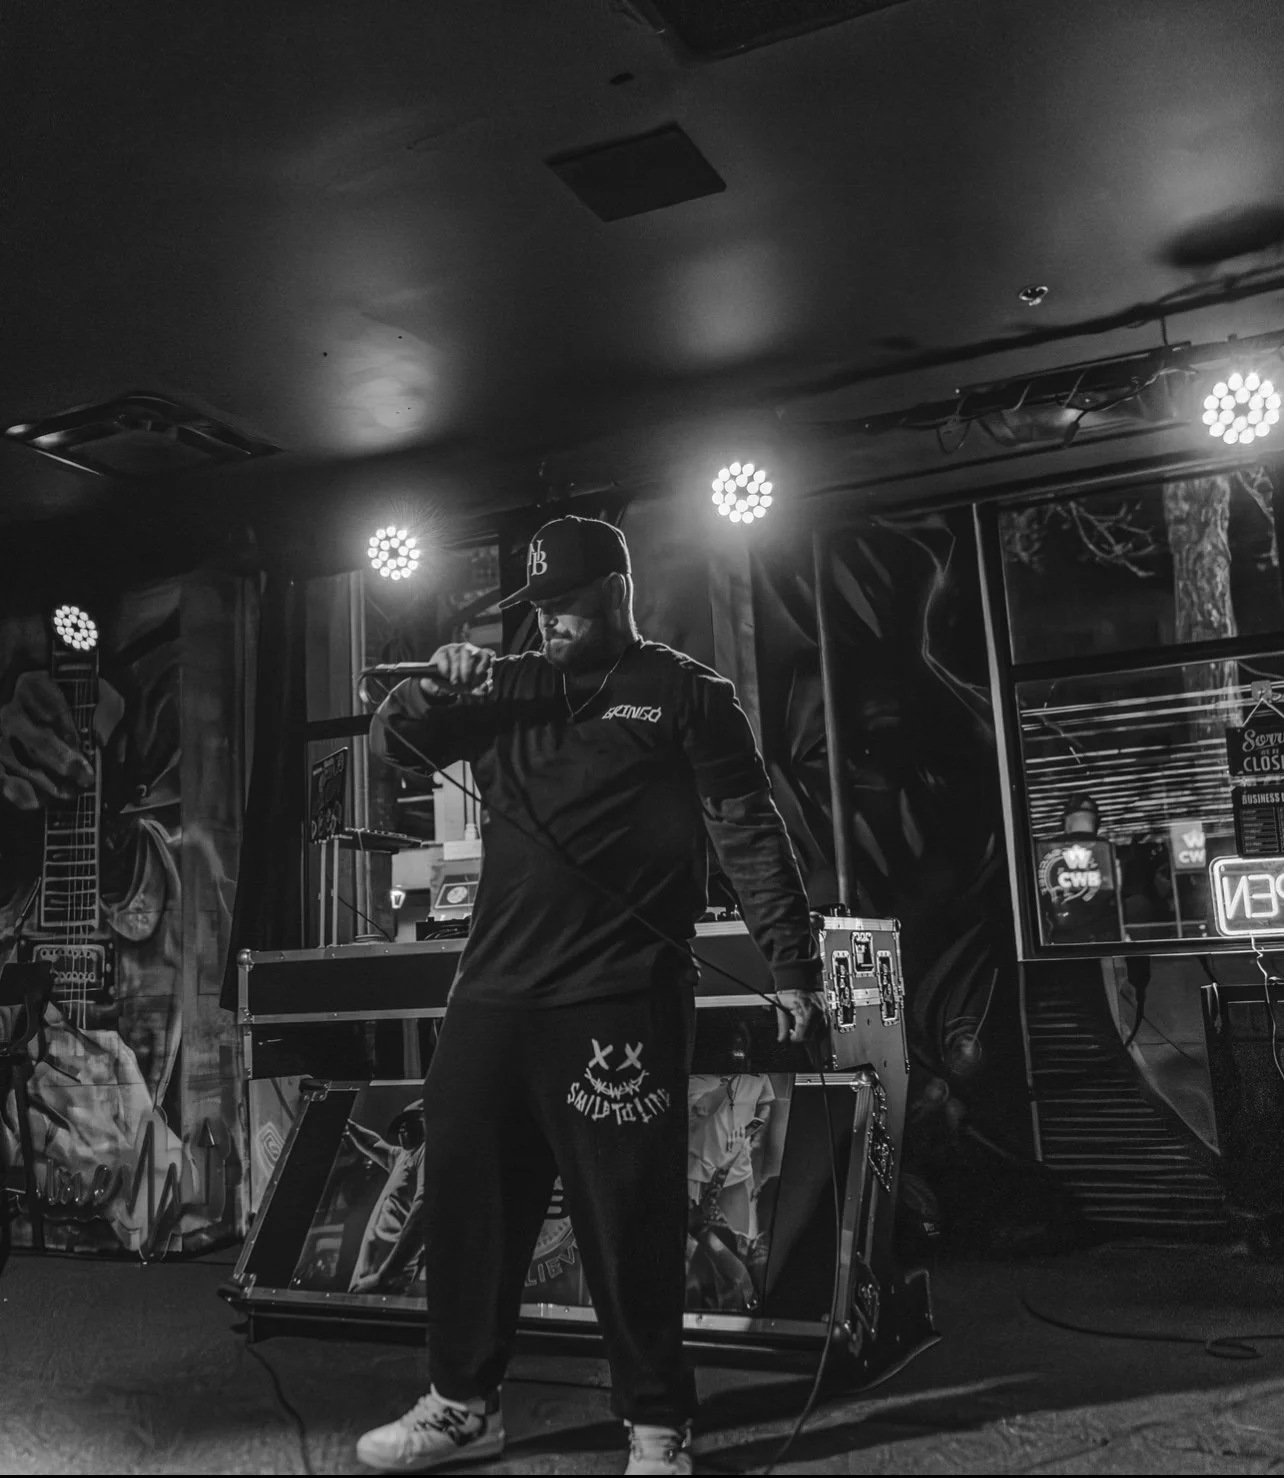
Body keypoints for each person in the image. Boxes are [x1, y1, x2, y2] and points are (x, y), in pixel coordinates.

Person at [357, 516, 823, 1476]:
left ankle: (655, 1423)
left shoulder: (688, 695)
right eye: (539, 608)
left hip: (622, 995)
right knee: (469, 1201)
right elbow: (394, 744)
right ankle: (463, 1403)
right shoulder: (504, 687)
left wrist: (792, 964)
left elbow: (748, 830)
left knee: (629, 1218)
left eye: (567, 604)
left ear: (616, 592)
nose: (550, 623)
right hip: (494, 995)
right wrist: (430, 686)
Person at [345, 1101, 427, 1295]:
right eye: (401, 1122)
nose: (403, 1127)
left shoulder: (426, 1152)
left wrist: (387, 1275)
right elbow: (373, 1143)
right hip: (374, 1277)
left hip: (388, 1282)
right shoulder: (402, 1156)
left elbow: (424, 1212)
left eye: (411, 1121)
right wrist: (348, 1125)